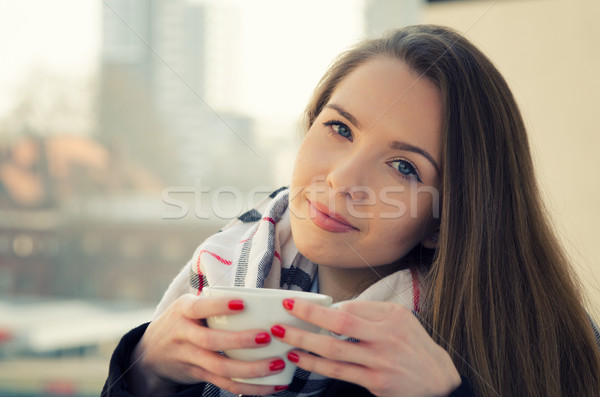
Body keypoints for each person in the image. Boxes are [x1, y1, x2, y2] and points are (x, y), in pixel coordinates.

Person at [102, 24, 600, 397]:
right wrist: (145, 370)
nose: (341, 179)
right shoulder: (217, 274)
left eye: (403, 166)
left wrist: (449, 393)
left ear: (443, 223)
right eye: (339, 128)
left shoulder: (548, 347)